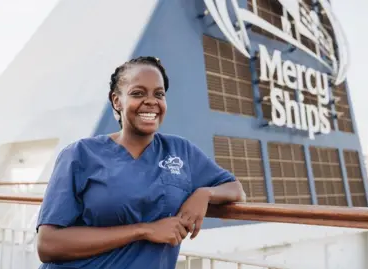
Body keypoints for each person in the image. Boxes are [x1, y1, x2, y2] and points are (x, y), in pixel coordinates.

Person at [36, 56, 246, 269]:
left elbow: (235, 188)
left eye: (159, 94)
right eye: (138, 93)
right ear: (117, 100)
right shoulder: (80, 154)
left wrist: (205, 194)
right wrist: (144, 230)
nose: (151, 101)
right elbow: (48, 245)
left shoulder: (180, 151)